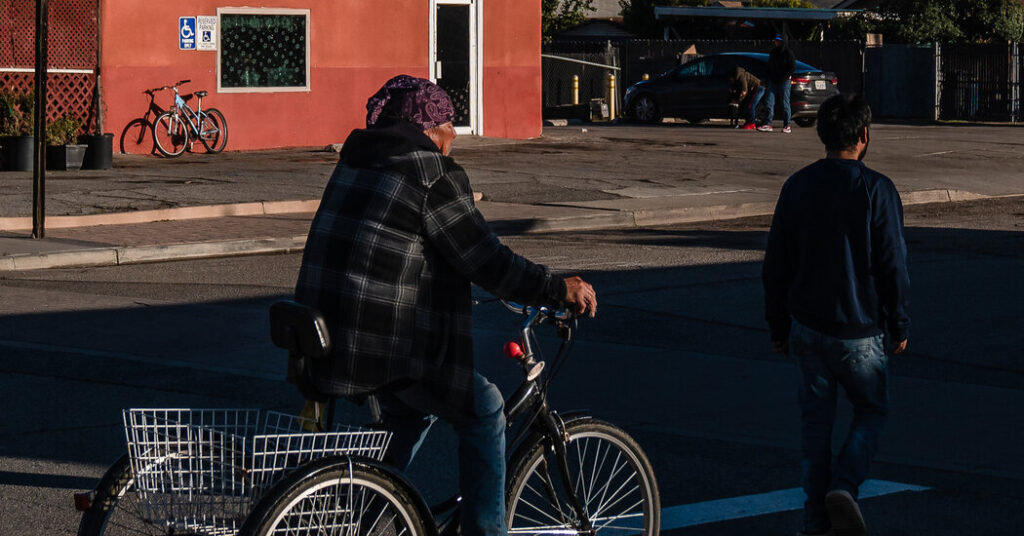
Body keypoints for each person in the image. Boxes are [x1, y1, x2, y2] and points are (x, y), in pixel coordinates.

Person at [292, 75, 597, 536]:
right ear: (428, 127)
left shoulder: (359, 159)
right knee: (485, 407)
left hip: (332, 334)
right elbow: (486, 259)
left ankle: (369, 515)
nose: (454, 133)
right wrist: (556, 288)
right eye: (448, 122)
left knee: (412, 410)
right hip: (381, 343)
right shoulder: (430, 172)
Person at [762, 93, 910, 536]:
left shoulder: (797, 186)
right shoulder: (876, 190)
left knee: (815, 427)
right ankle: (845, 485)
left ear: (823, 135)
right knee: (871, 411)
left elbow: (776, 264)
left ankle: (814, 522)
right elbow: (892, 264)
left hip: (807, 326)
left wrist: (778, 325)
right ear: (863, 137)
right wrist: (898, 322)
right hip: (860, 328)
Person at [759, 34, 796, 133]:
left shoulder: (788, 53)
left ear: (783, 42)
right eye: (775, 40)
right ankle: (768, 124)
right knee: (769, 102)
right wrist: (765, 78)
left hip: (784, 82)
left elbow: (792, 67)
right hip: (772, 80)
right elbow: (769, 66)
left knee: (785, 103)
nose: (776, 42)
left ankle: (787, 125)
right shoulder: (773, 52)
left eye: (778, 41)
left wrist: (785, 77)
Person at [728, 65, 766, 131]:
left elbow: (744, 91)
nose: (730, 81)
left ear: (733, 77)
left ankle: (752, 124)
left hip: (758, 89)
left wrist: (737, 101)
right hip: (754, 90)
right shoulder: (738, 78)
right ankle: (749, 122)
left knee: (751, 106)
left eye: (731, 79)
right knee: (748, 105)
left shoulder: (741, 77)